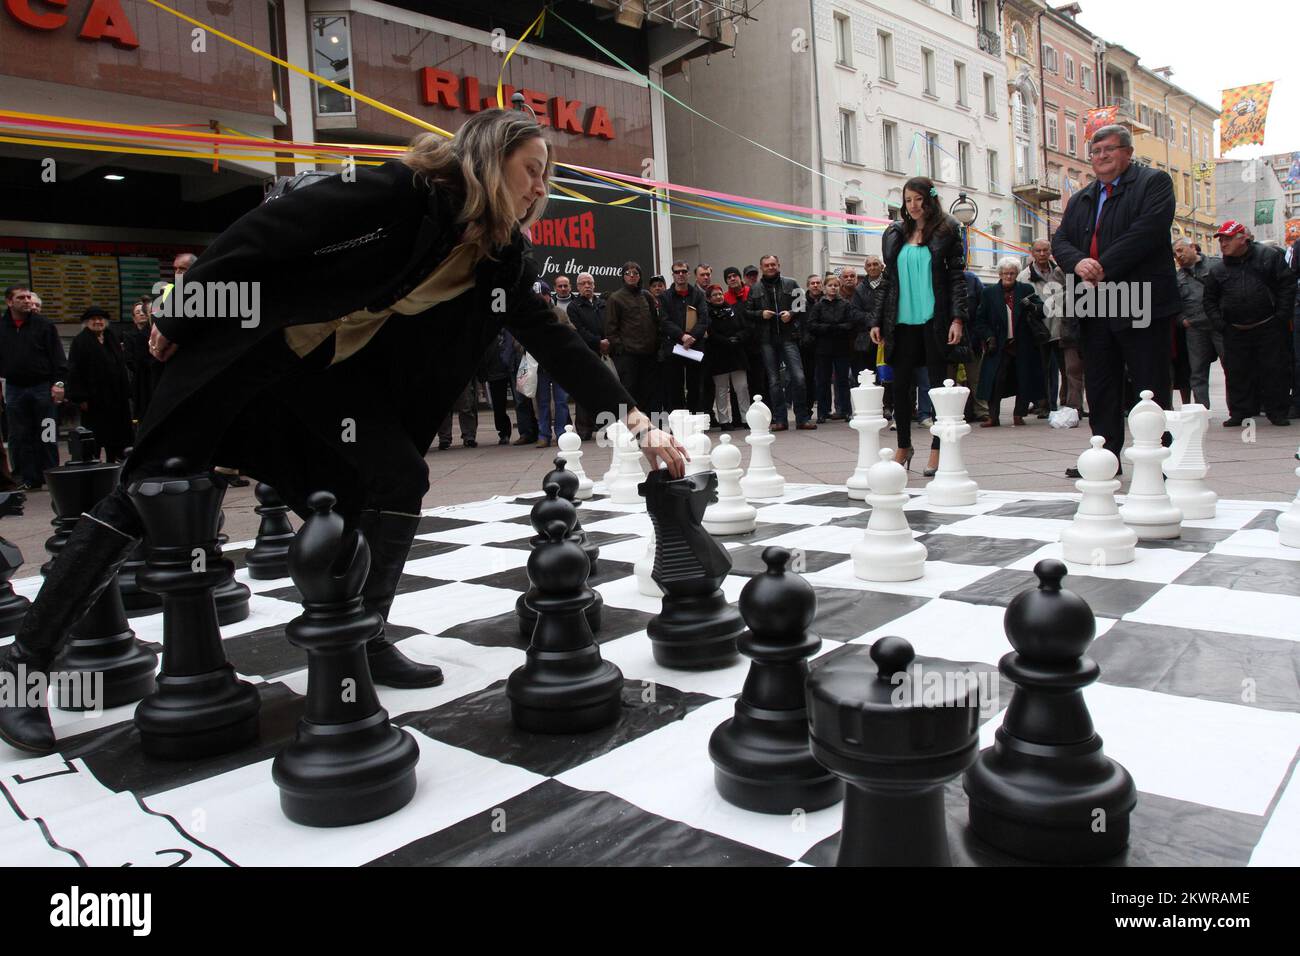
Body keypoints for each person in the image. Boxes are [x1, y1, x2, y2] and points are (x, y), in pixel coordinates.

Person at [0, 108, 686, 755]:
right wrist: (181, 313)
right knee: (150, 490)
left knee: (396, 476)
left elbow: (553, 338)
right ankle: (22, 668)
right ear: (486, 156)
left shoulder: (498, 257)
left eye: (547, 174)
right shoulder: (398, 192)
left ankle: (362, 637)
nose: (541, 185)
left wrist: (634, 419)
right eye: (532, 167)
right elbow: (266, 232)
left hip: (322, 378)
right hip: (248, 347)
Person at [1052, 124, 1179, 472]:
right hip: (1094, 301)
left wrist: (1102, 266)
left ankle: (1160, 457)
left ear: (1127, 152)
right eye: (1095, 152)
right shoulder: (1082, 197)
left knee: (1149, 382)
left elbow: (1147, 231)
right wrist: (1079, 262)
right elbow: (1060, 239)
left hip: (1140, 297)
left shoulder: (1153, 183)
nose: (1102, 156)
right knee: (1101, 382)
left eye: (1109, 149)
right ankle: (1104, 458)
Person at [868, 177, 967, 475]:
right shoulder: (896, 233)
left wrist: (957, 318)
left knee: (936, 387)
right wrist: (876, 319)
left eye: (918, 199)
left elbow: (957, 278)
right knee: (899, 387)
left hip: (933, 320)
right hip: (901, 321)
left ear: (929, 199)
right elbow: (887, 281)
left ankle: (938, 449)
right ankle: (903, 445)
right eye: (908, 199)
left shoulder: (948, 229)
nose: (913, 205)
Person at [1202, 220, 1296, 427]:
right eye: (1221, 239)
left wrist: (1281, 316)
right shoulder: (1218, 270)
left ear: (1242, 239)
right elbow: (1209, 300)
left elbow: (1287, 286)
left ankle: (1277, 412)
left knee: (1275, 370)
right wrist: (1220, 324)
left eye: (1227, 238)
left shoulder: (1269, 257)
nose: (1223, 243)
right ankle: (1239, 412)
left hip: (1269, 325)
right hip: (1235, 329)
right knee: (1236, 372)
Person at [0, 284, 66, 491]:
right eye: (21, 298)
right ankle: (27, 477)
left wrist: (58, 384)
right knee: (20, 435)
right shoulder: (2, 327)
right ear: (9, 302)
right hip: (14, 388)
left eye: (29, 297)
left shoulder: (44, 325)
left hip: (42, 387)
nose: (27, 301)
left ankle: (51, 475)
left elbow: (58, 357)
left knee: (47, 432)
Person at [975, 259, 1045, 428]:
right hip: (998, 345)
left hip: (1023, 344)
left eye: (1012, 273)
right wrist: (989, 336)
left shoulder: (1026, 289)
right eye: (1005, 273)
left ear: (1016, 274)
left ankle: (1019, 415)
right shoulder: (989, 293)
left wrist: (1032, 306)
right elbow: (980, 320)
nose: (1009, 276)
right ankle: (993, 417)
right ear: (999, 274)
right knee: (995, 381)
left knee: (1024, 379)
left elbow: (1041, 309)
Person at [747, 254, 813, 430]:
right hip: (767, 339)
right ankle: (780, 419)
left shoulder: (791, 283)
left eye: (773, 264)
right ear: (761, 268)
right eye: (767, 265)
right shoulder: (754, 289)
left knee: (798, 377)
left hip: (788, 337)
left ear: (778, 265)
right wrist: (761, 314)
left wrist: (791, 314)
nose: (770, 267)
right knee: (774, 381)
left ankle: (802, 418)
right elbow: (747, 312)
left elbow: (803, 303)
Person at [63, 307, 134, 462]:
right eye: (93, 319)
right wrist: (80, 397)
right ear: (86, 323)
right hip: (94, 399)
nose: (97, 322)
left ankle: (114, 460)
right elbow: (74, 371)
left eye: (101, 319)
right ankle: (93, 462)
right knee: (95, 434)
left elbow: (121, 366)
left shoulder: (111, 337)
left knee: (117, 433)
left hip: (116, 397)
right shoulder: (80, 341)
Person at [1018, 239, 1079, 415]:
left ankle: (1068, 404)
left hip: (1061, 327)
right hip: (1039, 329)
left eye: (1045, 250)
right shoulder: (1024, 276)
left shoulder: (1060, 272)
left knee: (1067, 369)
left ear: (1050, 252)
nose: (1042, 254)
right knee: (1041, 370)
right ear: (1032, 253)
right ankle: (1044, 404)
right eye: (1038, 251)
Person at [605, 261, 663, 418]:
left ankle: (653, 425)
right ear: (623, 277)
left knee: (651, 391)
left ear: (640, 276)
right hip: (628, 355)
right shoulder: (615, 298)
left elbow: (656, 322)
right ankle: (627, 426)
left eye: (635, 273)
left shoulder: (646, 296)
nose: (632, 276)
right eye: (628, 273)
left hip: (649, 354)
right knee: (629, 392)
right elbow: (611, 328)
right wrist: (620, 348)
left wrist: (657, 345)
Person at [1172, 237, 1223, 410]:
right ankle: (1202, 410)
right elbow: (1174, 305)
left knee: (1231, 366)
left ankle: (1238, 411)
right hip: (1195, 328)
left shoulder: (1216, 265)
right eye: (1175, 253)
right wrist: (1182, 321)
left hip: (1219, 324)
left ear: (1193, 247)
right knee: (1197, 371)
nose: (1178, 256)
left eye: (1180, 250)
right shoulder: (1178, 277)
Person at [659, 261, 710, 413]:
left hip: (695, 346)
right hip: (674, 347)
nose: (680, 274)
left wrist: (692, 337)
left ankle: (695, 419)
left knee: (696, 385)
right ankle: (678, 422)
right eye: (677, 272)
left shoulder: (698, 295)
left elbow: (704, 319)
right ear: (673, 275)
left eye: (683, 271)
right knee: (675, 386)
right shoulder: (665, 297)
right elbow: (664, 321)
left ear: (688, 273)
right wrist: (682, 336)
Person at [808, 275, 858, 422]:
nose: (833, 288)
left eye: (836, 285)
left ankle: (846, 410)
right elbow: (812, 325)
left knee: (843, 380)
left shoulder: (845, 304)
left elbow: (850, 323)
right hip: (823, 348)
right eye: (830, 285)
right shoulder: (819, 305)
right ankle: (823, 412)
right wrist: (828, 328)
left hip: (841, 347)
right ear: (825, 287)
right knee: (823, 380)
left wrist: (836, 328)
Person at [533, 282, 575, 446]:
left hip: (558, 364)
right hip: (539, 366)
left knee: (561, 401)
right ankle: (543, 435)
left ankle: (561, 434)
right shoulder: (529, 315)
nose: (539, 299)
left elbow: (572, 332)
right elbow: (518, 340)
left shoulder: (558, 312)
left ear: (547, 295)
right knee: (542, 402)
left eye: (541, 295)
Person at [704, 284, 751, 430]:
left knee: (742, 387)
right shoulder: (707, 314)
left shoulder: (734, 310)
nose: (718, 297)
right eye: (714, 295)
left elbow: (745, 328)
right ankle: (724, 421)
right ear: (708, 298)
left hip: (737, 354)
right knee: (721, 390)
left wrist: (738, 338)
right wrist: (725, 341)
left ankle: (746, 418)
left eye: (720, 294)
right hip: (718, 356)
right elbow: (710, 333)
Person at [567, 272, 606, 440]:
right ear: (578, 287)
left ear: (595, 285)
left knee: (605, 391)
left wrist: (607, 342)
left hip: (605, 352)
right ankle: (584, 429)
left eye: (590, 283)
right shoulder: (573, 306)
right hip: (585, 353)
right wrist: (599, 342)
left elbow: (610, 324)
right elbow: (580, 330)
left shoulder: (602, 304)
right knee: (585, 392)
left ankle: (605, 427)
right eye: (583, 283)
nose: (587, 286)